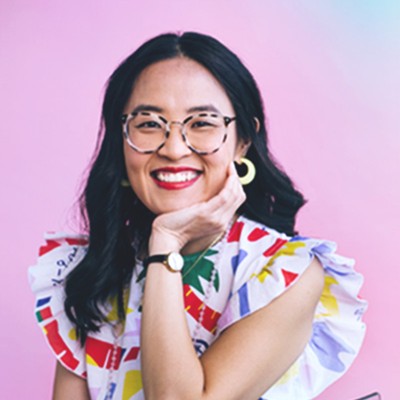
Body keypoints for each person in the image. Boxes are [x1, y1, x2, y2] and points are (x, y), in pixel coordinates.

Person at [29, 32, 367, 400]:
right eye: (148, 124)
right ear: (121, 141)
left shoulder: (285, 273)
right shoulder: (89, 272)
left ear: (243, 142)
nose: (174, 149)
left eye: (202, 123)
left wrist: (165, 246)